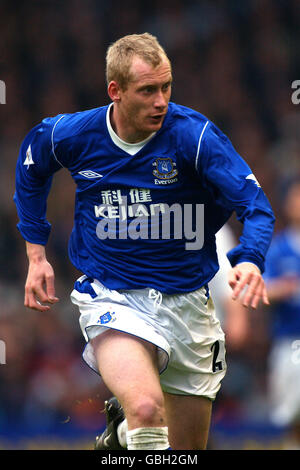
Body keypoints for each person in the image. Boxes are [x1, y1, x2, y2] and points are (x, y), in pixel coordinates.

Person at [14, 33, 275, 450]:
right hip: (114, 297)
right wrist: (35, 253)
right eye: (148, 90)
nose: (161, 101)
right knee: (147, 410)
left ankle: (117, 439)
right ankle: (131, 424)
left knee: (182, 450)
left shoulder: (196, 137)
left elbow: (256, 204)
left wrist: (251, 258)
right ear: (115, 91)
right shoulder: (73, 134)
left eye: (166, 87)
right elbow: (31, 164)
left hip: (189, 304)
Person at [264, 179, 300, 448]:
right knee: (291, 414)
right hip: (290, 342)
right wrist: (284, 288)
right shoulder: (279, 248)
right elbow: (261, 290)